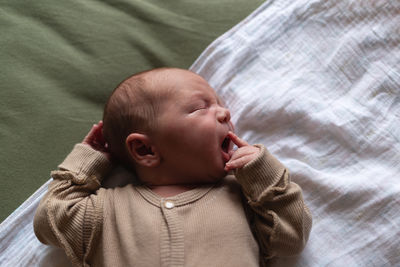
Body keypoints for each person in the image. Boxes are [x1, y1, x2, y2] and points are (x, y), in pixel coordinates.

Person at [34, 68, 312, 267]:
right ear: (146, 150)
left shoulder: (242, 197)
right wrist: (90, 160)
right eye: (199, 108)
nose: (224, 113)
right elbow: (50, 220)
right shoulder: (106, 211)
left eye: (219, 105)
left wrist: (263, 176)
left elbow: (291, 238)